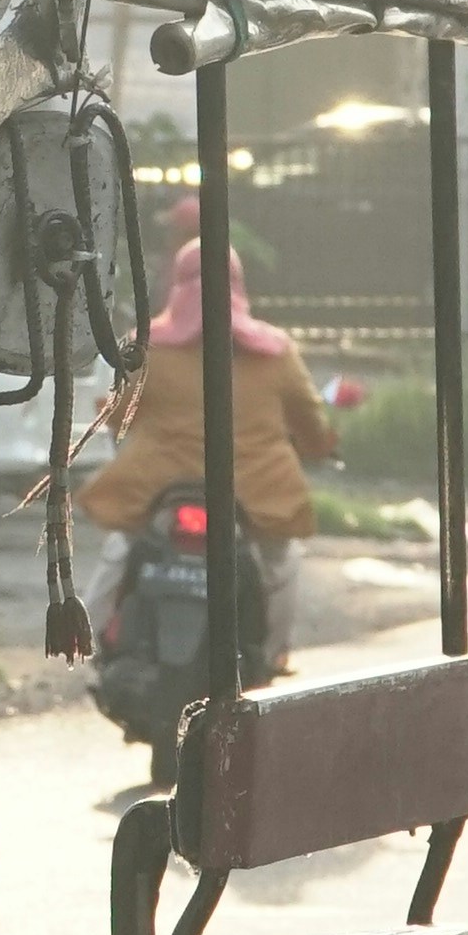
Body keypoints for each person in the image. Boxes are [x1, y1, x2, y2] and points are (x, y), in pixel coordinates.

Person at [82, 206, 340, 672]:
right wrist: (321, 447)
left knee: (122, 553)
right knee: (278, 566)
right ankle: (273, 652)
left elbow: (119, 416)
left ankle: (97, 641)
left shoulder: (145, 346)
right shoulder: (275, 351)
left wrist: (115, 420)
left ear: (176, 286)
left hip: (157, 487)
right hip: (254, 490)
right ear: (239, 287)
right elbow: (309, 418)